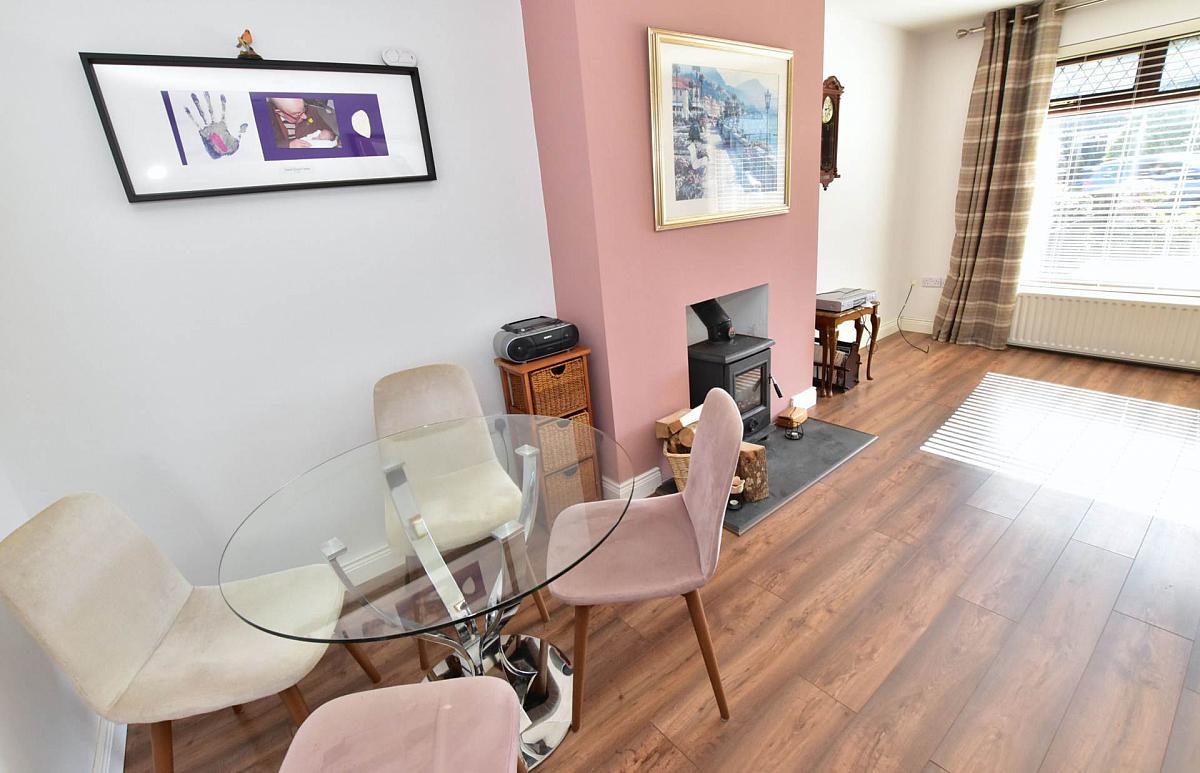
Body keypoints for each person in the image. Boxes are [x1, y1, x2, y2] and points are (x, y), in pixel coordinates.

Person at [267, 97, 337, 149]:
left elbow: (330, 133)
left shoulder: (310, 110)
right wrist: (288, 145)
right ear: (280, 113)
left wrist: (329, 136)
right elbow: (266, 146)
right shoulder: (265, 118)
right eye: (297, 114)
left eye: (304, 108)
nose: (305, 116)